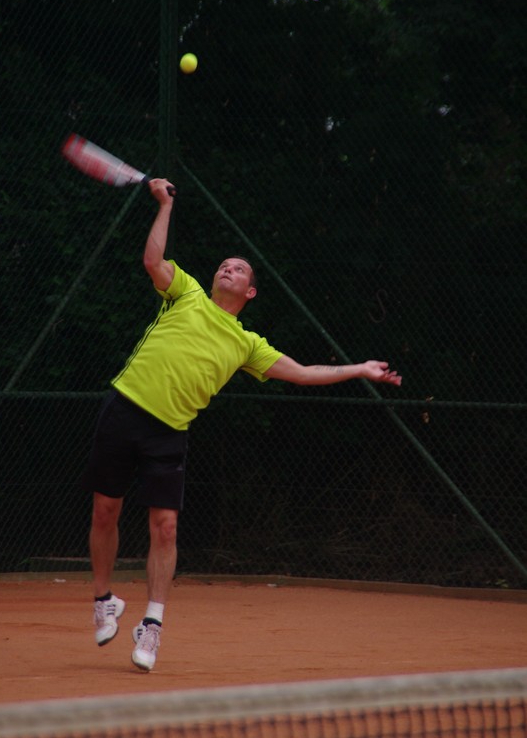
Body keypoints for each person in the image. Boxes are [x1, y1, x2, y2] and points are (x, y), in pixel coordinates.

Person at [83, 178, 402, 672]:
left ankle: (152, 624)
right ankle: (104, 599)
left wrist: (359, 368)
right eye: (223, 265)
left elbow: (302, 373)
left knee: (165, 528)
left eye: (238, 268)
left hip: (169, 431)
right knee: (105, 511)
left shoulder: (248, 344)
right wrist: (164, 204)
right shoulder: (186, 293)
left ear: (249, 291)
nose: (226, 268)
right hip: (124, 408)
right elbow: (152, 260)